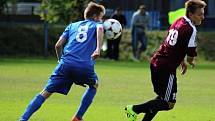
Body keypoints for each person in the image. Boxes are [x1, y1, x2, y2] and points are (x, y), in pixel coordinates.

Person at [19, 2, 105, 121]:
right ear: (96, 17)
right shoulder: (97, 25)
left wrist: (60, 60)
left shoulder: (72, 26)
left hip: (65, 64)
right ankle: (78, 117)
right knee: (94, 84)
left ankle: (23, 119)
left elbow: (58, 45)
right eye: (101, 17)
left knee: (45, 92)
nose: (101, 20)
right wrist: (98, 49)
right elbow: (100, 28)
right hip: (84, 66)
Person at [125, 0, 206, 121]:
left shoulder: (179, 21)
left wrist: (181, 60)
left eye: (203, 14)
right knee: (169, 103)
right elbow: (190, 55)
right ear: (190, 14)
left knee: (163, 97)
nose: (203, 17)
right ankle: (134, 109)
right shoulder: (191, 29)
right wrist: (190, 61)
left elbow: (174, 45)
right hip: (166, 68)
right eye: (200, 14)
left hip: (157, 62)